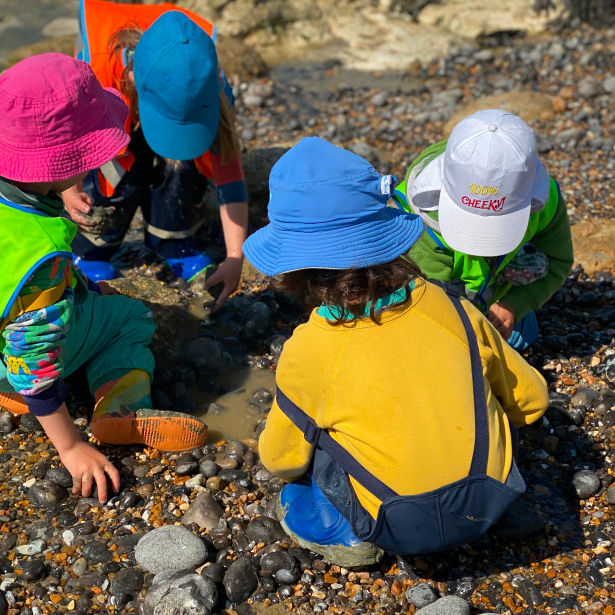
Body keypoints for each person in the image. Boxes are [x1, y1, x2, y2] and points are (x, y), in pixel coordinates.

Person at [242, 137, 548, 566]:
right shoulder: (452, 307)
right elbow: (531, 401)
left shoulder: (308, 350)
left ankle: (346, 535)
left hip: (395, 520)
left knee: (306, 475)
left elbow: (281, 459)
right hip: (489, 497)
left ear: (293, 269)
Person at [0, 54, 208, 504]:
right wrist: (71, 448)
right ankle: (120, 406)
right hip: (17, 361)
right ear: (64, 163)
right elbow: (31, 356)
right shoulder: (41, 251)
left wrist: (80, 286)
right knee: (131, 317)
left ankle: (15, 392)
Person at [64, 0, 249, 311]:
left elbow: (230, 176)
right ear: (135, 81)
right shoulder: (93, 80)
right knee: (112, 170)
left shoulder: (208, 84)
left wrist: (234, 257)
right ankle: (93, 249)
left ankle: (175, 240)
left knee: (185, 165)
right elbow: (71, 142)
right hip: (113, 109)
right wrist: (71, 192)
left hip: (163, 95)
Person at [393, 110, 574, 352]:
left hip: (497, 286)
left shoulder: (544, 202)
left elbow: (557, 261)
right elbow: (429, 305)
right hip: (433, 292)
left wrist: (514, 305)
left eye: (499, 223)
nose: (482, 241)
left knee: (517, 338)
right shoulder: (418, 221)